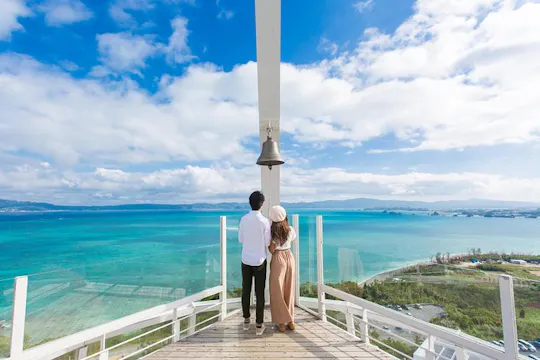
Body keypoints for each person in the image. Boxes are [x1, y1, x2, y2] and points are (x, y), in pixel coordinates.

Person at [238, 191, 271, 335]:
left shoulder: (244, 219)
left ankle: (246, 321)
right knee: (259, 293)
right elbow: (267, 242)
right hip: (259, 261)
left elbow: (241, 239)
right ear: (262, 204)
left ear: (250, 202)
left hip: (246, 259)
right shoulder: (264, 221)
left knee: (246, 290)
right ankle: (259, 325)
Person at [268, 205, 296, 332]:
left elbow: (272, 249)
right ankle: (291, 321)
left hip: (279, 258)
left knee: (277, 290)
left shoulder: (272, 232)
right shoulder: (290, 229)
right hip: (289, 256)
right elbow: (292, 240)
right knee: (289, 289)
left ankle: (281, 323)